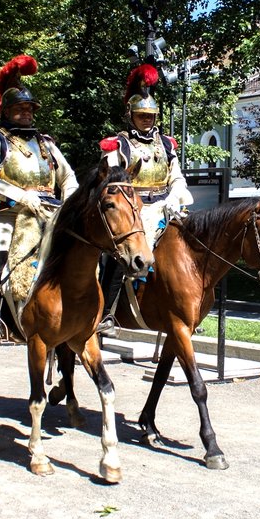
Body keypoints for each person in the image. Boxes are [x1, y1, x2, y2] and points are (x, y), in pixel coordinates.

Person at [0, 54, 78, 345]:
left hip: (51, 212)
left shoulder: (46, 144)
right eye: (20, 108)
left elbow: (68, 178)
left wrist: (69, 205)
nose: (27, 113)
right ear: (6, 111)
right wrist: (21, 195)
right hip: (7, 212)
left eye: (29, 108)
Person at [96, 62, 193, 334]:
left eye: (150, 116)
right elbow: (111, 182)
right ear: (131, 115)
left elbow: (177, 176)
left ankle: (187, 305)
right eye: (141, 116)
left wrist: (175, 195)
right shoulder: (119, 145)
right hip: (133, 207)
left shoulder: (166, 144)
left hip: (165, 204)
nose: (147, 120)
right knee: (122, 254)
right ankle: (107, 314)